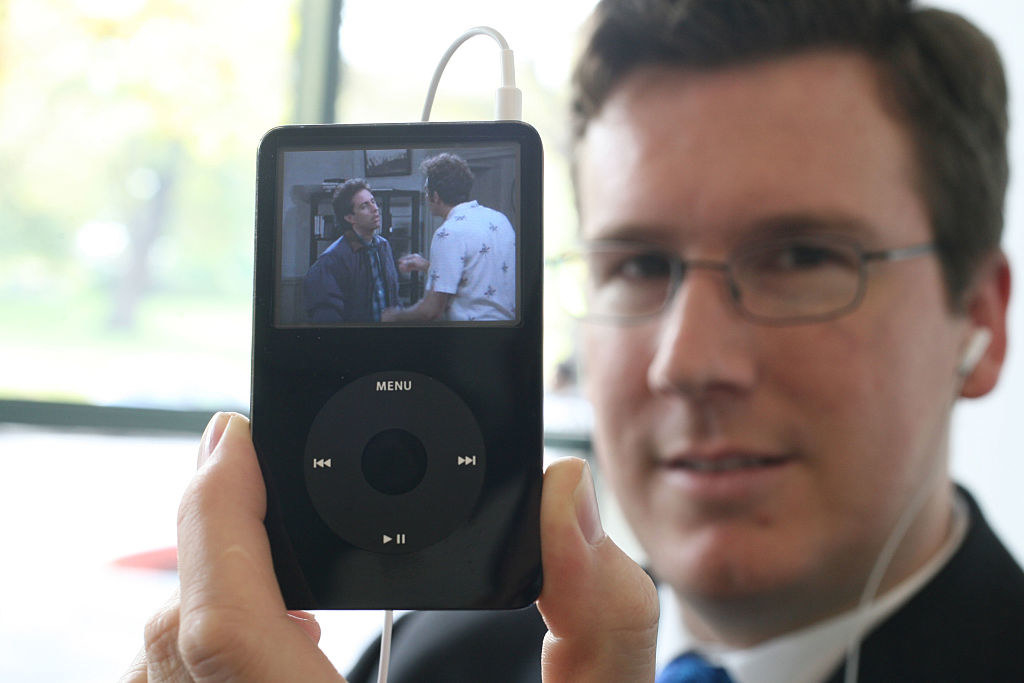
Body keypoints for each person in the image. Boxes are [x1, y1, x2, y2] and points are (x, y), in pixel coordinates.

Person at [126, 1, 1024, 681]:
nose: (686, 362)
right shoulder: (444, 653)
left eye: (800, 256)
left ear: (978, 322)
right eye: (636, 265)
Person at [382, 153, 516, 322]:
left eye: (426, 192)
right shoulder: (499, 219)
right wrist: (427, 266)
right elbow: (476, 273)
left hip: (473, 338)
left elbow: (431, 311)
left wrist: (393, 316)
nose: (425, 197)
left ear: (435, 196)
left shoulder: (448, 233)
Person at [304, 178, 400, 323]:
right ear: (350, 218)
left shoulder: (383, 246)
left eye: (373, 201)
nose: (375, 208)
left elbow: (393, 299)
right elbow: (328, 318)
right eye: (364, 206)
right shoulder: (331, 260)